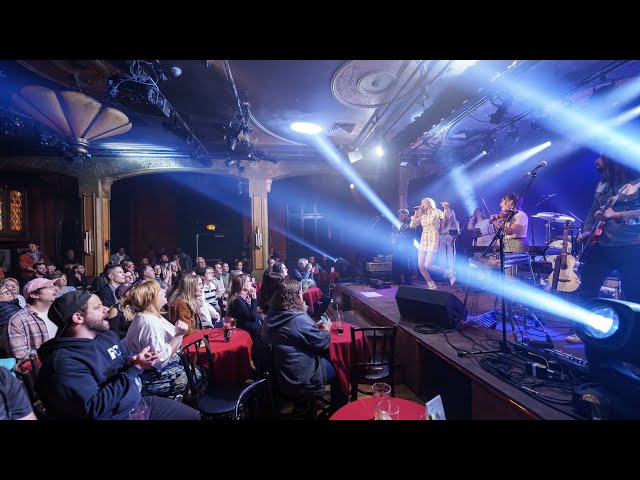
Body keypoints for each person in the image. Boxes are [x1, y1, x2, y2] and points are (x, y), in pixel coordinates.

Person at [35, 291, 201, 420]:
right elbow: (94, 408)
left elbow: (127, 359)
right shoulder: (64, 363)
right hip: (114, 415)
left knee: (193, 415)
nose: (106, 309)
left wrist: (136, 361)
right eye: (98, 307)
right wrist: (134, 368)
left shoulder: (106, 337)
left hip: (136, 403)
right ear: (78, 317)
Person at [568, 154, 640, 343]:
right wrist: (586, 231)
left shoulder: (637, 182)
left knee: (633, 295)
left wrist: (617, 215)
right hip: (601, 245)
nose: (596, 161)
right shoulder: (602, 184)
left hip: (632, 247)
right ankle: (584, 330)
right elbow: (593, 211)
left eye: (600, 158)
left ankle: (632, 338)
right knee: (587, 291)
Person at [261, 279, 345, 406]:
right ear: (294, 297)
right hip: (300, 375)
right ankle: (338, 409)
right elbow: (322, 343)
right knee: (339, 368)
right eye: (300, 293)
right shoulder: (299, 319)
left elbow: (293, 335)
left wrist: (313, 327)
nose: (303, 296)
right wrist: (326, 329)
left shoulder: (272, 315)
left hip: (280, 369)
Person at [122, 281, 189, 399]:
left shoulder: (152, 315)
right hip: (157, 378)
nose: (164, 291)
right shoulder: (149, 323)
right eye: (160, 290)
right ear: (151, 297)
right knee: (202, 375)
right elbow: (160, 360)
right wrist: (178, 336)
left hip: (168, 370)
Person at [3, 278, 58, 360]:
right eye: (49, 287)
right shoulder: (18, 320)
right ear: (34, 295)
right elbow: (20, 354)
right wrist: (53, 353)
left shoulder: (58, 313)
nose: (56, 289)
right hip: (41, 369)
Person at [409, 197, 456, 290]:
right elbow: (412, 225)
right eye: (421, 202)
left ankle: (449, 273)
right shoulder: (422, 215)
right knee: (421, 265)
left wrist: (446, 208)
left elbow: (445, 217)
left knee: (428, 265)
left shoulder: (436, 211)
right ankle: (431, 285)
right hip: (424, 239)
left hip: (433, 237)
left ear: (429, 203)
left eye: (424, 202)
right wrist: (416, 213)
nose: (422, 204)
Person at [391, 208, 413, 285]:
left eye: (401, 215)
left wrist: (397, 235)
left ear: (406, 215)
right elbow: (396, 235)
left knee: (404, 263)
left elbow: (408, 236)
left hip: (405, 246)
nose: (399, 217)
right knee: (396, 262)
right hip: (398, 245)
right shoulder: (401, 224)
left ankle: (408, 281)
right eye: (399, 216)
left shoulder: (410, 223)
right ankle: (397, 280)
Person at [438, 207, 461, 275]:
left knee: (450, 255)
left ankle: (451, 271)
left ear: (452, 214)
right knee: (442, 254)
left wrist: (454, 239)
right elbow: (439, 231)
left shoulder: (456, 222)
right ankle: (444, 271)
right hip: (442, 237)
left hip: (450, 237)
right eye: (446, 213)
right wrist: (440, 225)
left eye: (448, 213)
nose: (447, 214)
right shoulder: (442, 222)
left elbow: (458, 232)